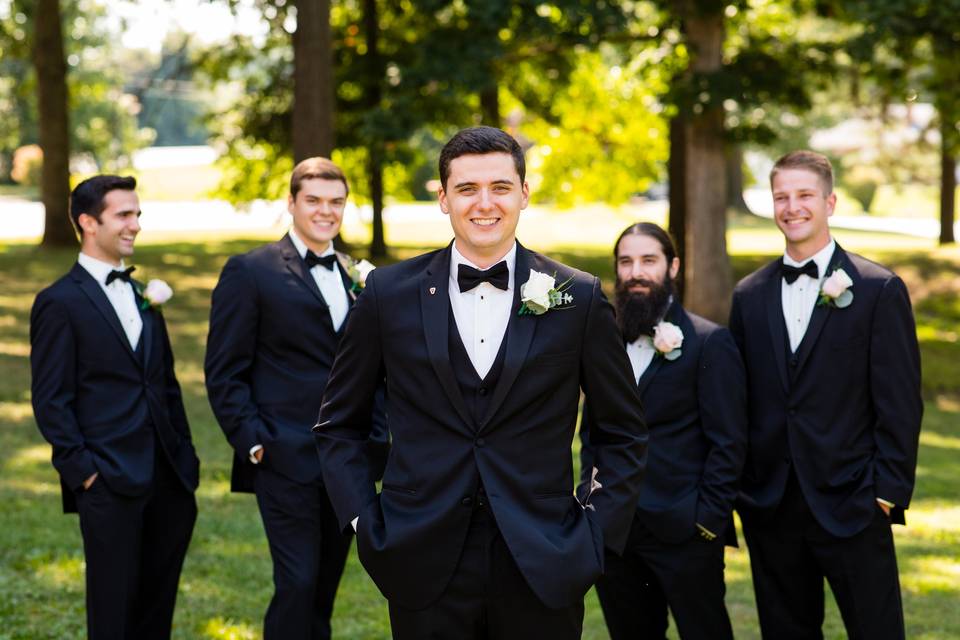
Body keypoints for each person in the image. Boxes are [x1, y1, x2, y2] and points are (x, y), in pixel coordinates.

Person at [312, 126, 647, 639]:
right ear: (443, 198)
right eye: (467, 189)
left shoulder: (577, 297)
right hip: (421, 558)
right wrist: (365, 521)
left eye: (500, 187)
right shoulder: (387, 293)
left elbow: (622, 430)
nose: (484, 203)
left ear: (524, 194)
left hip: (544, 558)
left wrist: (596, 531)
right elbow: (339, 425)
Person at [729, 150, 922, 639]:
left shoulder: (879, 289)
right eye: (781, 197)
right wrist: (747, 490)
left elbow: (900, 400)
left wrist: (885, 494)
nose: (792, 207)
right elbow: (739, 400)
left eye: (804, 195)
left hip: (854, 500)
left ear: (830, 202)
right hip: (772, 504)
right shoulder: (748, 295)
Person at [204, 157, 387, 640]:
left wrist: (378, 438)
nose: (326, 212)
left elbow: (378, 365)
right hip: (283, 455)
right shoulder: (251, 271)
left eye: (336, 202)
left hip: (348, 459)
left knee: (324, 586)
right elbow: (224, 370)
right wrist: (254, 442)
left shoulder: (358, 273)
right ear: (291, 203)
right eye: (314, 201)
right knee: (297, 581)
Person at [30, 175, 199, 639]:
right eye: (124, 215)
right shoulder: (58, 303)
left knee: (156, 609)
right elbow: (50, 399)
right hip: (107, 480)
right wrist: (84, 473)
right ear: (88, 222)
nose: (135, 225)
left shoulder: (145, 297)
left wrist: (185, 456)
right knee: (112, 611)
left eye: (138, 214)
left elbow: (164, 384)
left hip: (168, 477)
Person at [580, 222, 746, 640]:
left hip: (685, 532)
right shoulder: (604, 344)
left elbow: (729, 443)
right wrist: (590, 500)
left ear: (672, 267)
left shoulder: (710, 342)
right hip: (614, 532)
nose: (636, 271)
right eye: (626, 261)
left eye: (648, 260)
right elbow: (592, 435)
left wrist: (707, 521)